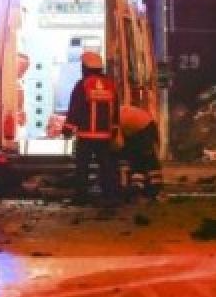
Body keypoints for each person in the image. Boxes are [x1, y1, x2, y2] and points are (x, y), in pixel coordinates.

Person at [63, 52, 120, 206]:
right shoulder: (110, 85)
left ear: (85, 68)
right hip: (105, 136)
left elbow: (75, 108)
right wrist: (114, 130)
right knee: (106, 167)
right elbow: (115, 110)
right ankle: (110, 196)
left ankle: (81, 196)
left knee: (82, 167)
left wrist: (67, 129)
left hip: (86, 136)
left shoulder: (82, 85)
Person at [117, 103, 161, 201]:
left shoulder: (113, 118)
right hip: (145, 125)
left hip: (143, 128)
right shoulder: (117, 112)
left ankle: (140, 188)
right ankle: (149, 189)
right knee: (146, 159)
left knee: (141, 159)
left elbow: (117, 143)